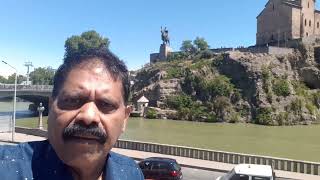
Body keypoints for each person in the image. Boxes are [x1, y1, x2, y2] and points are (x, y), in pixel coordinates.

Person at [0, 48, 144, 180]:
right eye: (72, 100)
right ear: (51, 108)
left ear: (125, 118)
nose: (88, 116)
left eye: (106, 104)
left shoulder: (131, 173)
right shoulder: (7, 168)